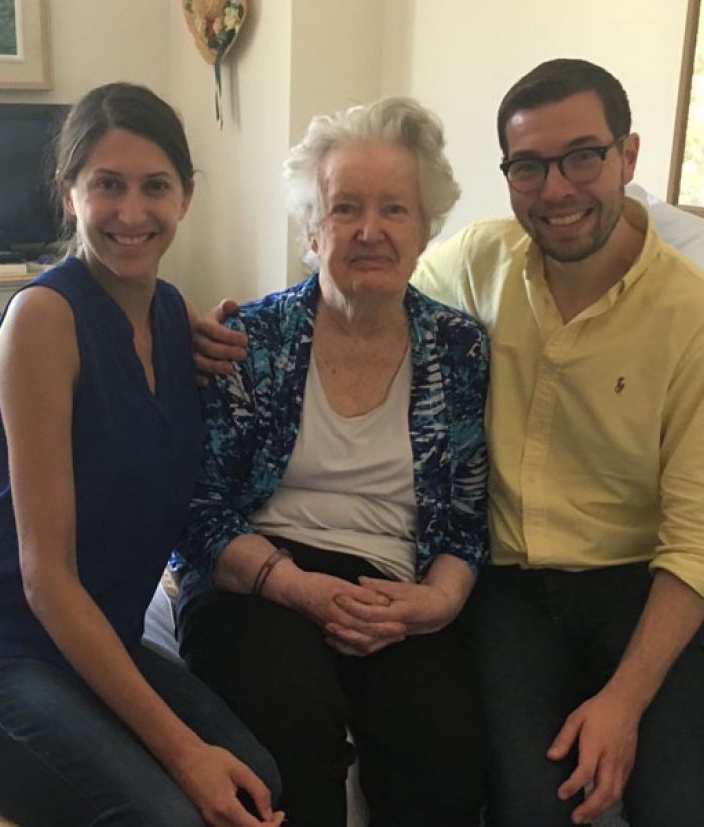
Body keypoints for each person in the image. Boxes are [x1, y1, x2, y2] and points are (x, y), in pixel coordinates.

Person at [0, 83, 283, 827]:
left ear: (187, 197)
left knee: (258, 776)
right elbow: (44, 579)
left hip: (92, 632)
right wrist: (182, 751)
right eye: (107, 185)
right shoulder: (44, 319)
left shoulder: (171, 313)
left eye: (155, 187)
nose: (132, 213)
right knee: (169, 814)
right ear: (69, 193)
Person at [411, 59, 704, 826]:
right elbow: (364, 296)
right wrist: (247, 328)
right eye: (528, 166)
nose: (556, 189)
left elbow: (701, 544)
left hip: (637, 587)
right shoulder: (476, 264)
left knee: (691, 810)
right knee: (533, 808)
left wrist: (624, 703)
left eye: (583, 157)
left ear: (628, 157)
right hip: (507, 585)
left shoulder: (700, 325)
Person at [173, 97, 491, 827]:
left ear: (426, 227)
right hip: (259, 577)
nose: (371, 231)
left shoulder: (459, 349)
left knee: (445, 754)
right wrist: (298, 587)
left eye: (395, 210)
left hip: (393, 586)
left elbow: (467, 518)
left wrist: (435, 603)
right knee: (289, 734)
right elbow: (198, 512)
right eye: (345, 208)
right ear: (313, 231)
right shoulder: (250, 338)